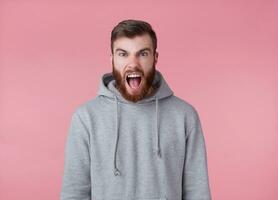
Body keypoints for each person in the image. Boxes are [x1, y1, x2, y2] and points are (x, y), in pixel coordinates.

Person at [60, 19, 212, 200]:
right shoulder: (86, 118)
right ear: (112, 60)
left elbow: (198, 193)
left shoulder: (185, 116)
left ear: (155, 58)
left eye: (143, 54)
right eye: (123, 54)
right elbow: (74, 193)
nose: (133, 63)